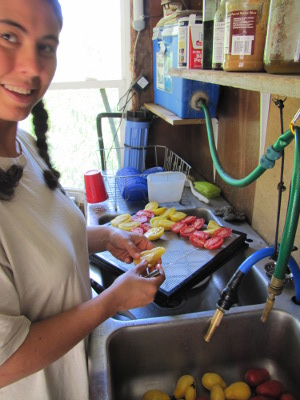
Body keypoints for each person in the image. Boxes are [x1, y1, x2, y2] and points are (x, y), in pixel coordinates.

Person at [0, 1, 165, 399]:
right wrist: (111, 301)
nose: (33, 67)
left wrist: (103, 238)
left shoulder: (23, 144)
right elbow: (4, 361)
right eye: (7, 36)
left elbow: (35, 242)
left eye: (47, 46)